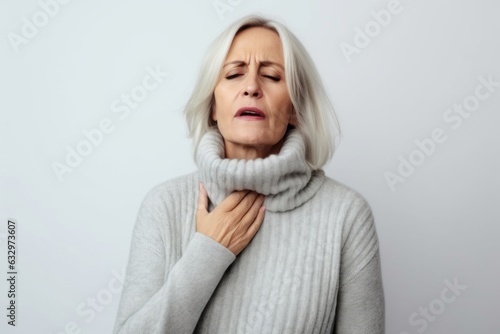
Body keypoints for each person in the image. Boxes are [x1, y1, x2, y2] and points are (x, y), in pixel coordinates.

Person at [113, 14, 384, 334]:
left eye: (271, 76)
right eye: (234, 74)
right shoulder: (164, 205)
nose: (252, 87)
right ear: (213, 105)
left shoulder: (346, 215)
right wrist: (207, 253)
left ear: (295, 107)